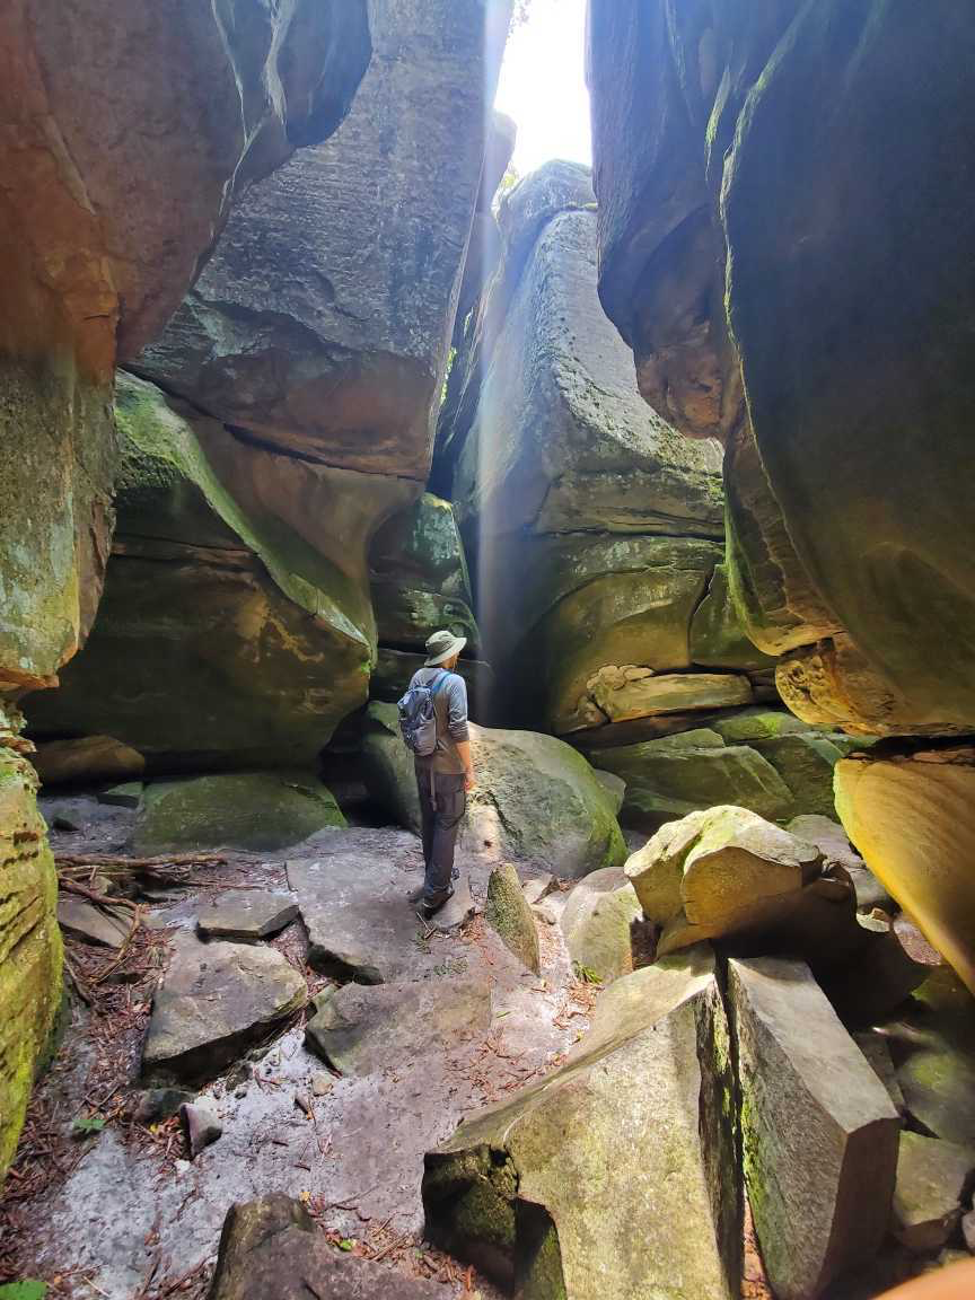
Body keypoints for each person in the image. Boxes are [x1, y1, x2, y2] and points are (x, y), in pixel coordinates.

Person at [409, 629, 476, 918]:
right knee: (448, 823)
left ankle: (436, 874)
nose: (458, 655)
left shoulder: (416, 677)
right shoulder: (454, 682)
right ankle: (436, 893)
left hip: (422, 764)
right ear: (448, 655)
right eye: (455, 652)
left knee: (430, 820)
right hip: (448, 768)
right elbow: (459, 728)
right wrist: (469, 768)